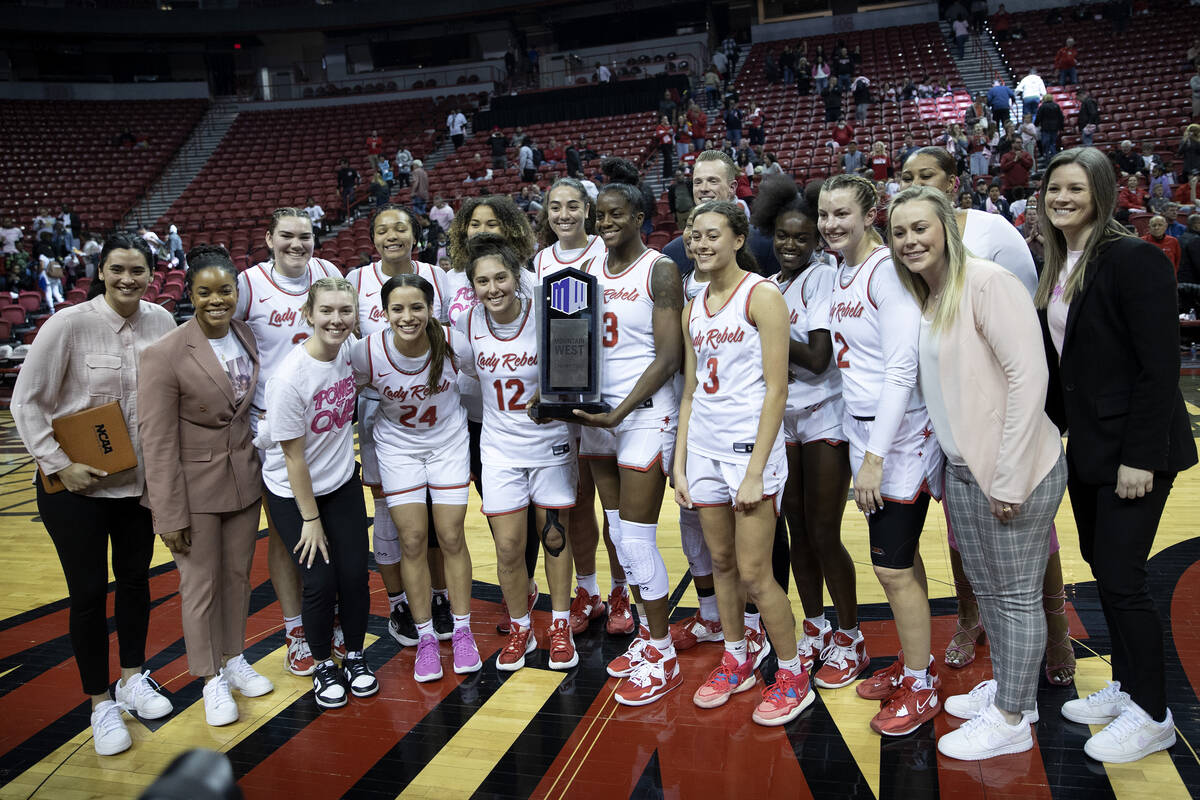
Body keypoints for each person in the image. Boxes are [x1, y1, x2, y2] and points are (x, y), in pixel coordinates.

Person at [888, 186, 1067, 760]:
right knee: (989, 593)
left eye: (921, 228)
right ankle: (1014, 693)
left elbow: (1029, 380)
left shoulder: (988, 282)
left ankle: (1013, 717)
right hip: (964, 471)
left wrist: (1010, 477)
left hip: (1013, 470)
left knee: (1015, 598)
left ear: (947, 227)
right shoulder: (935, 292)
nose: (911, 240)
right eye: (899, 232)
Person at [1037, 147, 1197, 762]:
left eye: (1075, 188)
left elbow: (1160, 370)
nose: (1062, 199)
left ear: (1102, 193)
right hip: (1090, 450)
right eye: (1054, 190)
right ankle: (1129, 689)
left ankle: (1154, 715)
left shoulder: (1134, 260)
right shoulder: (1056, 263)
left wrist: (1140, 457)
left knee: (1125, 579)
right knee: (1105, 571)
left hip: (1135, 452)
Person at [11, 232, 176, 756]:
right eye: (117, 269)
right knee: (87, 595)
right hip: (76, 492)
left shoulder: (162, 322)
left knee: (134, 583)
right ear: (99, 271)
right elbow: (26, 403)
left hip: (137, 487)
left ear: (152, 273)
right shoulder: (67, 326)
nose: (127, 279)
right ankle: (99, 702)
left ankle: (131, 678)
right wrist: (60, 466)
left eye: (138, 270)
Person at [675, 200, 813, 725]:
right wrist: (681, 464)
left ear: (738, 240)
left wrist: (756, 470)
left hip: (749, 453)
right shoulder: (693, 306)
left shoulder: (762, 295)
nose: (702, 244)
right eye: (694, 237)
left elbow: (777, 389)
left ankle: (793, 671)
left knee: (756, 573)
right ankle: (736, 656)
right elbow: (689, 390)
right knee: (722, 565)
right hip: (705, 450)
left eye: (713, 235)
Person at [818, 175, 944, 736]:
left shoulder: (886, 273)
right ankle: (915, 664)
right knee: (902, 562)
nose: (830, 224)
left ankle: (922, 685)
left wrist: (873, 456)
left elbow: (901, 370)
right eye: (824, 214)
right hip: (863, 430)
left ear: (870, 213)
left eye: (842, 213)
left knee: (890, 567)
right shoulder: (840, 272)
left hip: (899, 437)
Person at [138, 245, 272, 727]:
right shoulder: (164, 354)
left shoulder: (246, 334)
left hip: (243, 481)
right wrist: (167, 513)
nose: (217, 300)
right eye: (205, 292)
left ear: (237, 291)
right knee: (200, 585)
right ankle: (209, 677)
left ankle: (234, 658)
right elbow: (156, 441)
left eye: (225, 290)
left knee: (238, 578)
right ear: (189, 295)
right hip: (193, 490)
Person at [574, 181, 685, 707]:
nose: (605, 222)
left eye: (616, 214)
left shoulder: (660, 269)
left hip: (643, 414)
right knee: (618, 535)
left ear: (639, 216)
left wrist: (619, 410)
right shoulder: (589, 271)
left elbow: (669, 357)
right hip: (599, 414)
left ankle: (662, 652)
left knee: (637, 539)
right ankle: (646, 635)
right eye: (600, 215)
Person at [749, 177, 862, 687]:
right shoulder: (770, 284)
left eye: (801, 236)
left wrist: (766, 330)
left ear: (815, 239)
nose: (791, 244)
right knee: (794, 530)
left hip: (823, 414)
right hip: (784, 419)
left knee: (823, 531)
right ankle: (814, 626)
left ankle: (851, 634)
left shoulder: (822, 276)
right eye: (782, 235)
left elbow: (817, 360)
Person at [453, 234, 578, 670]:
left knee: (555, 540)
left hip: (550, 444)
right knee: (508, 549)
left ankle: (560, 625)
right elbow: (467, 371)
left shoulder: (547, 314)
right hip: (500, 449)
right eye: (483, 281)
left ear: (516, 278)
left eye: (501, 277)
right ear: (472, 286)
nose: (493, 288)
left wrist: (551, 390)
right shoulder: (468, 324)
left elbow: (572, 367)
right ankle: (522, 627)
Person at [350, 271, 478, 683]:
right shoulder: (365, 351)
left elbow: (480, 381)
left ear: (431, 309)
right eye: (398, 308)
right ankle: (425, 637)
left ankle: (461, 631)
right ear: (384, 312)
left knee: (452, 537)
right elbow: (338, 395)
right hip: (399, 448)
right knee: (412, 540)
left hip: (447, 444)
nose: (408, 316)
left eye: (417, 307)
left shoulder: (451, 340)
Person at [236, 208, 343, 677]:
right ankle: (295, 627)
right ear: (269, 239)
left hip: (327, 418)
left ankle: (326, 613)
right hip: (272, 420)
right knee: (285, 532)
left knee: (332, 525)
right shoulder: (249, 283)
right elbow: (222, 335)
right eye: (286, 236)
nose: (297, 244)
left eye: (305, 236)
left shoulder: (328, 273)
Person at [261, 277, 376, 708]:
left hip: (340, 480)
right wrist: (310, 521)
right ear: (307, 315)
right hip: (295, 491)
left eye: (345, 311)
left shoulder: (347, 352)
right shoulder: (289, 379)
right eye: (326, 311)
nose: (336, 319)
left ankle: (357, 657)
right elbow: (293, 461)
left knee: (355, 576)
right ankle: (324, 663)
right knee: (319, 580)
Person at [347, 205, 450, 647]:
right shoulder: (356, 281)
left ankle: (441, 597)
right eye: (383, 230)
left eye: (401, 228)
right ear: (373, 240)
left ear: (415, 234)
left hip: (434, 412)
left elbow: (447, 337)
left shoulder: (437, 275)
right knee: (390, 513)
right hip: (381, 414)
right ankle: (399, 603)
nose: (393, 236)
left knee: (434, 515)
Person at [446, 195, 541, 635]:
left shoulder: (532, 280)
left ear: (511, 231)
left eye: (493, 223)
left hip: (525, 416)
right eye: (474, 223)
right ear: (462, 231)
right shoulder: (448, 282)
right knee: (499, 507)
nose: (482, 230)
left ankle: (523, 593)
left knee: (533, 515)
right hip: (471, 410)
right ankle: (514, 590)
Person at [530, 178, 619, 637]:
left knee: (615, 506)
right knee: (578, 501)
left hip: (608, 391)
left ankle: (623, 588)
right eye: (554, 206)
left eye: (572, 206)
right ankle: (588, 589)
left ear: (587, 208)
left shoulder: (608, 252)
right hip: (564, 396)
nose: (563, 214)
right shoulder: (541, 261)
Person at [655, 116, 675, 180]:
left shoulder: (669, 126)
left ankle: (668, 174)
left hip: (669, 144)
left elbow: (672, 133)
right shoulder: (659, 127)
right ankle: (667, 174)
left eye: (666, 119)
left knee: (669, 159)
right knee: (667, 158)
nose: (666, 120)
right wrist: (666, 132)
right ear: (661, 120)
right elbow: (658, 135)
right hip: (663, 144)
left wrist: (669, 129)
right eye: (664, 119)